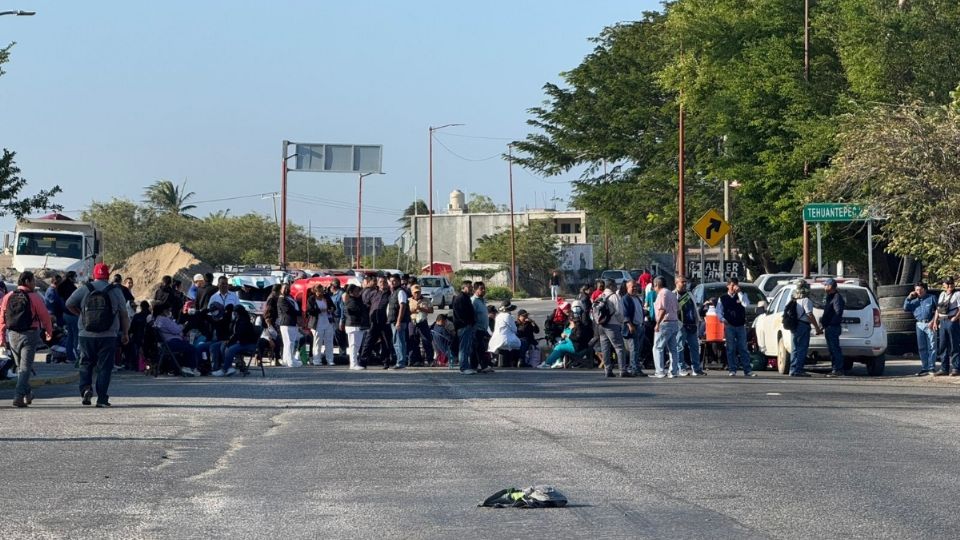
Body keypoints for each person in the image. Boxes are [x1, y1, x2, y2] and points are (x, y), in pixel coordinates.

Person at [65, 263, 131, 407]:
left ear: (94, 275)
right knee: (105, 367)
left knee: (86, 363)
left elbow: (69, 304)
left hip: (86, 334)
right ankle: (101, 398)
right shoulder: (116, 291)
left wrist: (81, 315)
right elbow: (124, 314)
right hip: (108, 335)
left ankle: (86, 389)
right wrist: (125, 333)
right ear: (108, 276)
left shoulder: (84, 289)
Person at [0, 271, 54, 407]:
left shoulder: (8, 296)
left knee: (21, 368)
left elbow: (2, 319)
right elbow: (45, 317)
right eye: (33, 281)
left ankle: (28, 394)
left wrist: (2, 338)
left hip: (12, 335)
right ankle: (18, 396)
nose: (34, 284)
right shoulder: (34, 297)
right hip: (30, 335)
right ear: (27, 282)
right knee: (24, 368)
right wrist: (49, 332)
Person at [716, 276, 755, 377]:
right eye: (732, 285)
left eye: (735, 285)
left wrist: (740, 293)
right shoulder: (723, 298)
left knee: (743, 348)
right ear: (728, 286)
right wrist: (722, 319)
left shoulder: (742, 295)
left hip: (740, 325)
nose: (734, 288)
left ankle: (747, 370)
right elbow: (718, 311)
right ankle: (732, 369)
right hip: (729, 325)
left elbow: (746, 304)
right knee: (731, 348)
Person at [596, 279, 633, 378]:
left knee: (605, 348)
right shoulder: (614, 296)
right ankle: (622, 370)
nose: (617, 287)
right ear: (611, 286)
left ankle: (607, 370)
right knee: (619, 347)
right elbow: (619, 312)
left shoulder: (601, 296)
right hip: (613, 325)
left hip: (601, 325)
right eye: (615, 285)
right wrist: (621, 322)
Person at [151, 304, 201, 376]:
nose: (169, 312)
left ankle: (183, 368)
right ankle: (190, 367)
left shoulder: (157, 319)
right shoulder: (164, 319)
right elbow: (176, 330)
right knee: (192, 348)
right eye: (168, 310)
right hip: (172, 342)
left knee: (186, 346)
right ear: (163, 311)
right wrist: (183, 325)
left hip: (166, 343)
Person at [211, 304, 258, 376]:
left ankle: (225, 369)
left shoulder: (244, 321)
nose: (233, 313)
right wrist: (229, 340)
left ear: (238, 312)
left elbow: (239, 335)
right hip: (240, 341)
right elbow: (233, 333)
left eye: (235, 312)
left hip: (247, 343)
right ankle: (220, 367)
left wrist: (230, 342)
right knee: (216, 346)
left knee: (230, 349)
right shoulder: (236, 320)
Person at [787, 280, 822, 377]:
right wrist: (816, 327)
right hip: (803, 325)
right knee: (802, 349)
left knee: (794, 348)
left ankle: (792, 369)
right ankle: (798, 370)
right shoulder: (806, 300)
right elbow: (809, 314)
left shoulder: (794, 299)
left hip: (794, 325)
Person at [904, 281, 938, 376]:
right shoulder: (913, 301)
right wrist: (909, 297)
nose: (919, 291)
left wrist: (933, 321)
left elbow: (938, 310)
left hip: (930, 323)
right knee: (922, 347)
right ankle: (924, 367)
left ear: (925, 290)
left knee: (932, 346)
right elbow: (905, 308)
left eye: (920, 289)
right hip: (919, 324)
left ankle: (931, 367)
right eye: (917, 290)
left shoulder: (931, 298)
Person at [651, 277, 682, 378]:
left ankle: (659, 371)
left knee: (658, 347)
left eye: (654, 286)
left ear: (657, 285)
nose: (653, 288)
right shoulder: (672, 293)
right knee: (673, 349)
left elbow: (662, 309)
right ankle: (673, 371)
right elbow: (678, 308)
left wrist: (658, 323)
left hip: (665, 323)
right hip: (674, 322)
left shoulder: (662, 294)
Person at [675, 276, 705, 376]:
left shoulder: (689, 294)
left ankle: (696, 369)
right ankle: (681, 368)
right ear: (676, 283)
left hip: (692, 324)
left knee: (695, 347)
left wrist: (697, 321)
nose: (684, 284)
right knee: (680, 347)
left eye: (685, 282)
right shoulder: (674, 294)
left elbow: (695, 308)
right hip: (681, 325)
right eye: (682, 282)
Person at [361, 276, 393, 369]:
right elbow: (366, 304)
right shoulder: (372, 293)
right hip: (373, 321)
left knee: (386, 342)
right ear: (378, 283)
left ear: (387, 284)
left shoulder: (390, 294)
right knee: (368, 341)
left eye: (384, 282)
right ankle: (363, 361)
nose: (382, 283)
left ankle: (386, 362)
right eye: (381, 282)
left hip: (385, 322)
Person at [933, 277, 960, 376]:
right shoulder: (942, 294)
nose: (946, 286)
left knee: (954, 345)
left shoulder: (957, 294)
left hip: (952, 320)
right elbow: (938, 309)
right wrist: (935, 321)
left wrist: (955, 318)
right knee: (943, 345)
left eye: (947, 284)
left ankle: (956, 368)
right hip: (942, 321)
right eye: (945, 284)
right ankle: (944, 368)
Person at [820, 278, 846, 377]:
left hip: (833, 327)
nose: (824, 287)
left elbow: (838, 312)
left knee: (835, 349)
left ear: (830, 286)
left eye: (825, 285)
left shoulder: (837, 297)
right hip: (829, 327)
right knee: (832, 349)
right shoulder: (829, 297)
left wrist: (831, 323)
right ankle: (835, 369)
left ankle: (838, 369)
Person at [622, 280, 648, 377]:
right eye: (632, 287)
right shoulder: (625, 299)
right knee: (634, 349)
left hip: (640, 326)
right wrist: (630, 325)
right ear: (627, 287)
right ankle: (634, 369)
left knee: (638, 349)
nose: (635, 288)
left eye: (636, 286)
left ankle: (636, 367)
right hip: (632, 327)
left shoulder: (637, 298)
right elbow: (625, 314)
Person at [276, 282, 304, 368]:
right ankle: (290, 361)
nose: (286, 290)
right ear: (281, 290)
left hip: (292, 322)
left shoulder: (289, 297)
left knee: (289, 342)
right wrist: (299, 312)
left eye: (288, 288)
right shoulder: (281, 299)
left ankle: (286, 359)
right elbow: (288, 310)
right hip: (286, 323)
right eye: (284, 288)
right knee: (289, 342)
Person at [451, 280, 476, 374]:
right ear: (463, 288)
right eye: (469, 287)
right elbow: (460, 314)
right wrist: (467, 323)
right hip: (463, 326)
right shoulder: (460, 298)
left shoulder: (466, 298)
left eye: (471, 288)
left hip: (467, 326)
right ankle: (464, 367)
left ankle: (466, 365)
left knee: (467, 347)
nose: (471, 289)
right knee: (463, 348)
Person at [307, 284, 336, 366]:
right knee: (317, 342)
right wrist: (319, 310)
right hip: (317, 323)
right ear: (315, 291)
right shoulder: (311, 299)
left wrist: (331, 309)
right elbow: (310, 311)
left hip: (328, 322)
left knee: (329, 341)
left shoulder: (326, 297)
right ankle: (316, 360)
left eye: (322, 290)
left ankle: (330, 359)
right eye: (319, 291)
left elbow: (333, 306)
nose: (321, 292)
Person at [343, 284, 369, 370]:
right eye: (356, 291)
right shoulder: (350, 301)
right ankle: (353, 363)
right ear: (351, 292)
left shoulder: (357, 300)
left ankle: (354, 362)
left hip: (357, 325)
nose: (358, 292)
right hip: (352, 325)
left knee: (356, 345)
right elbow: (354, 311)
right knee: (353, 345)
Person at [387, 274, 410, 369]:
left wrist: (398, 321)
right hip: (393, 321)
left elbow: (402, 306)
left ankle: (400, 362)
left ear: (399, 281)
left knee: (399, 342)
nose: (392, 282)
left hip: (399, 322)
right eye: (391, 281)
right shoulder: (394, 292)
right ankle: (400, 361)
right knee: (397, 341)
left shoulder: (400, 292)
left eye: (395, 281)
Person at [407, 284, 434, 366]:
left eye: (418, 292)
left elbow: (431, 310)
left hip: (422, 322)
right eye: (415, 292)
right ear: (412, 293)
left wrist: (422, 309)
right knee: (413, 341)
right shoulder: (408, 300)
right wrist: (414, 310)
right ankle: (415, 360)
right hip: (412, 322)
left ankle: (430, 360)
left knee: (426, 341)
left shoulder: (426, 300)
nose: (417, 294)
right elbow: (405, 311)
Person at [471, 281, 494, 373]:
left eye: (484, 289)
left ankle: (478, 366)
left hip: (483, 329)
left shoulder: (482, 300)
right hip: (476, 329)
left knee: (480, 348)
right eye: (481, 289)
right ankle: (478, 366)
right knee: (477, 348)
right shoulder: (473, 301)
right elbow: (472, 315)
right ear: (475, 290)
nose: (484, 290)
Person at [57, 271, 79, 364]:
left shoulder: (61, 286)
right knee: (76, 336)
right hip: (73, 314)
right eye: (75, 277)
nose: (76, 279)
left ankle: (70, 356)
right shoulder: (72, 288)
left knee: (70, 336)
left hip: (65, 314)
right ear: (71, 277)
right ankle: (76, 356)